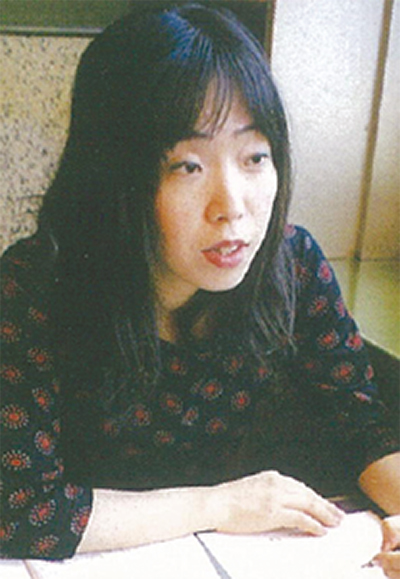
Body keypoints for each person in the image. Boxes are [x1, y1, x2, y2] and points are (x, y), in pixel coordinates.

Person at [0, 2, 399, 569]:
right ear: (113, 176)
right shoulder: (36, 288)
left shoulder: (292, 265)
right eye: (188, 166)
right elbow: (19, 510)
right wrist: (219, 505)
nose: (232, 207)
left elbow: (360, 428)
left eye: (254, 157)